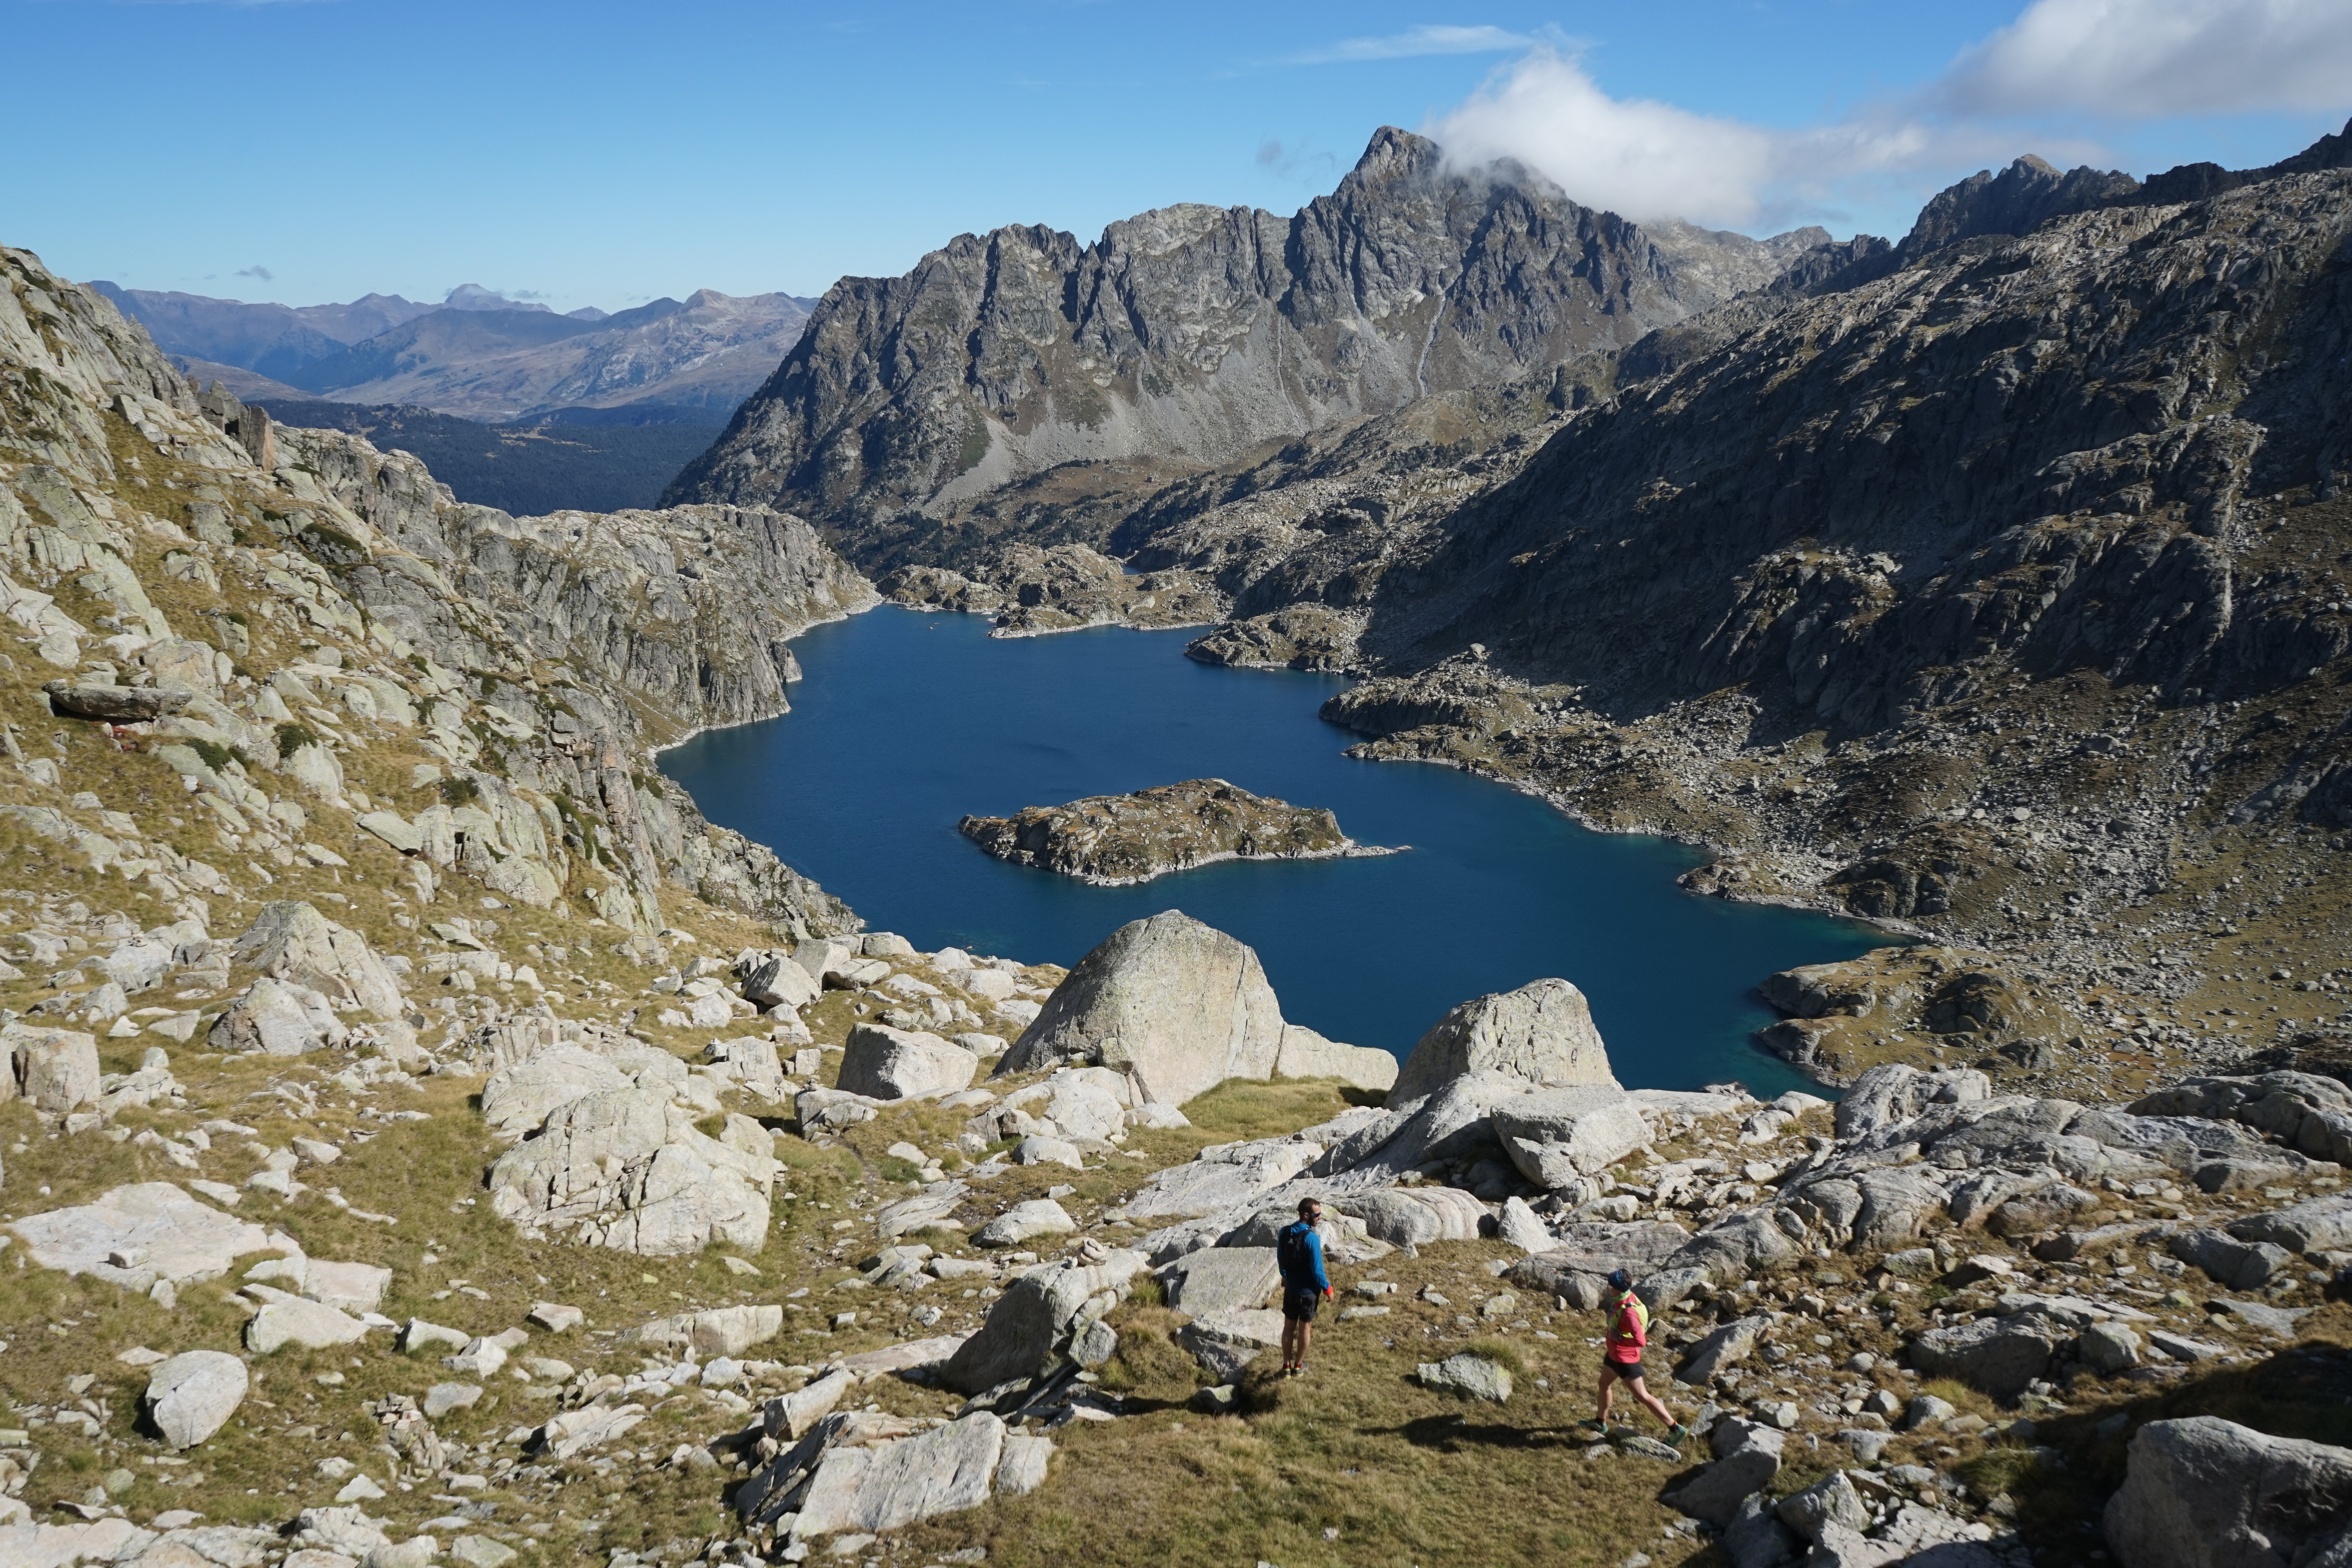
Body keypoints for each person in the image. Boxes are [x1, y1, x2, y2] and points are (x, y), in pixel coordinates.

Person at [1583, 1270, 1688, 1444]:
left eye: (1610, 1286)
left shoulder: (1630, 1312)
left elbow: (1641, 1341)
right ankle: (1600, 1422)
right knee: (1603, 1384)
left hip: (1626, 1361)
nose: (1608, 1288)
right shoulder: (1624, 1299)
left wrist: (1619, 1338)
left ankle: (1676, 1429)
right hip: (1614, 1356)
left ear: (1618, 1289)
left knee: (1642, 1396)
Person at [1276, 1196, 1333, 1378]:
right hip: (1308, 1293)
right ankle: (1298, 1367)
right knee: (1305, 1329)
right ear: (1306, 1215)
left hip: (1291, 1290)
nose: (1320, 1218)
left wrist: (1284, 1277)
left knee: (1288, 1328)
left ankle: (1286, 1367)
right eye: (1317, 1215)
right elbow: (1318, 1271)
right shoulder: (1312, 1239)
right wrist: (1328, 1289)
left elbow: (1281, 1259)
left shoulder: (1285, 1233)